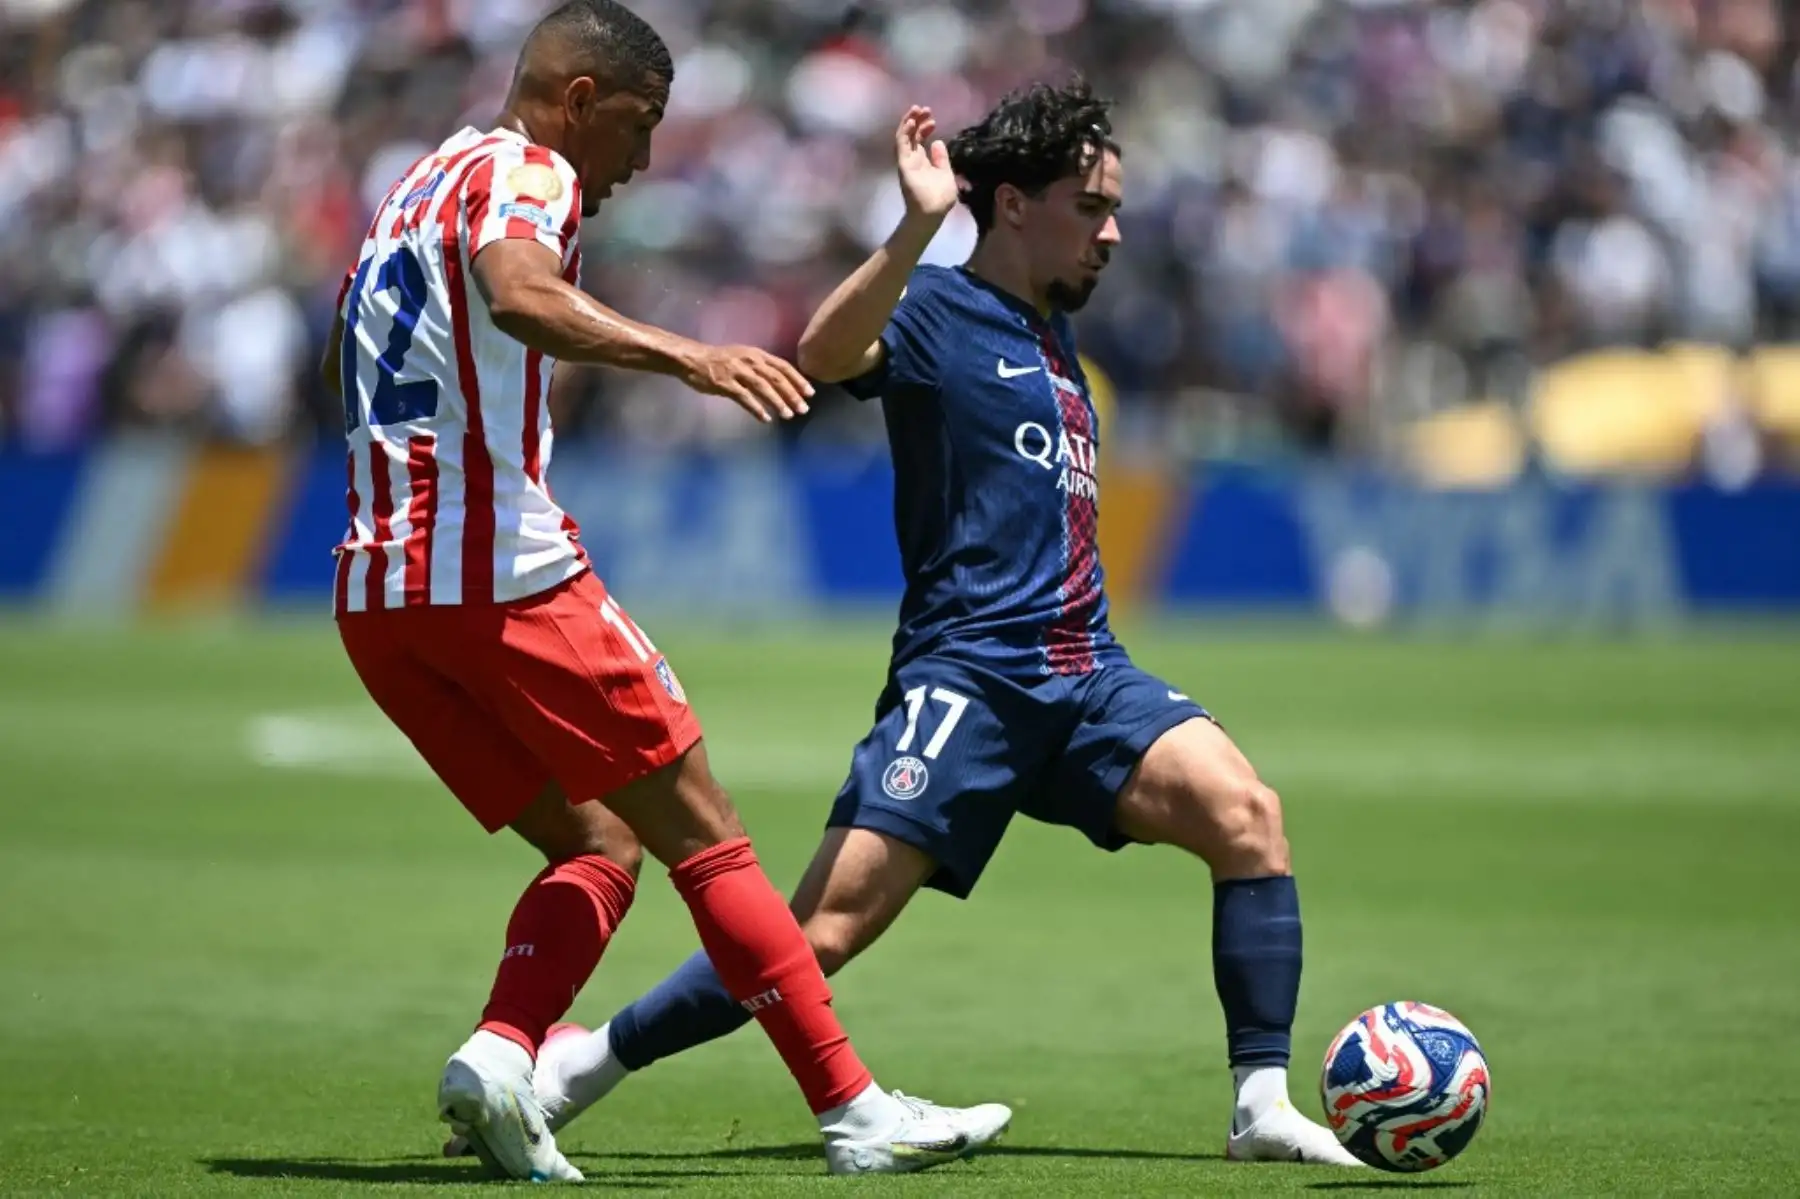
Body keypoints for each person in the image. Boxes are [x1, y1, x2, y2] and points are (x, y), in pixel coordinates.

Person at [492, 80, 1365, 1167]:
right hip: (972, 679)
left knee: (1248, 815)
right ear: (1009, 205)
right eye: (1090, 206)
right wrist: (916, 221)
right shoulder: (939, 310)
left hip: (1089, 672)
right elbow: (822, 352)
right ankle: (581, 1064)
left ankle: (1260, 1106)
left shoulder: (1056, 346)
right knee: (818, 934)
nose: (1114, 231)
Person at [324, 0, 1007, 1180]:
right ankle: (853, 1109)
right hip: (496, 571)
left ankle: (502, 1049)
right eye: (638, 127)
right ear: (581, 101)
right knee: (708, 835)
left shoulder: (418, 179)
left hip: (378, 592)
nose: (640, 164)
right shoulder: (529, 169)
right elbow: (519, 296)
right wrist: (690, 354)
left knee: (599, 844)